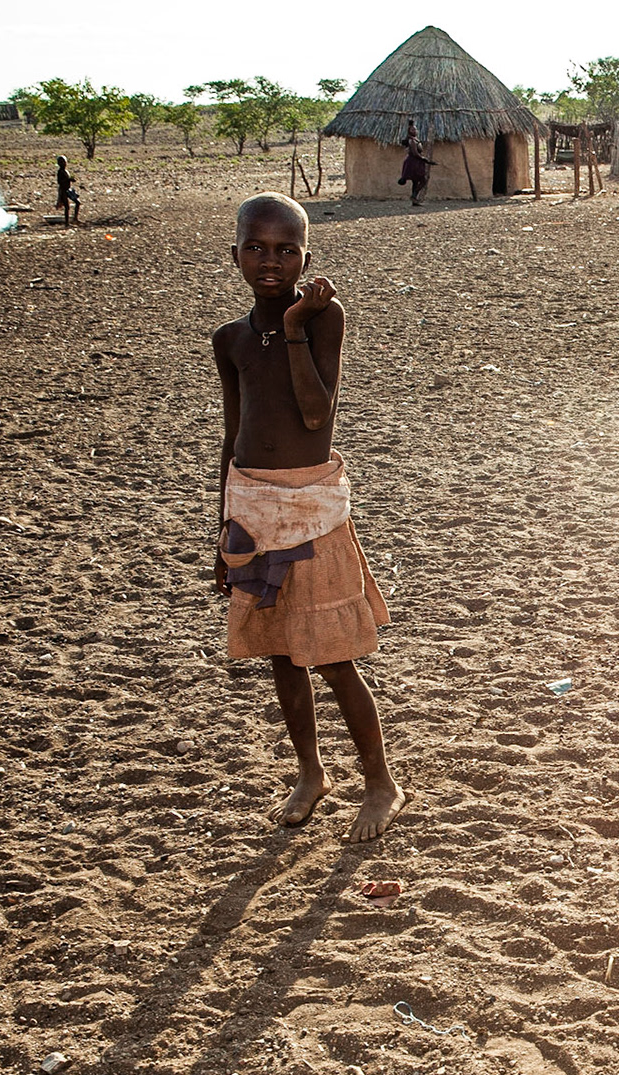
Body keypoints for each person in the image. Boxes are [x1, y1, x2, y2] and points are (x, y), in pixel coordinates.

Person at [212, 192, 408, 842]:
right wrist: (222, 530)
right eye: (257, 248)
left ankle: (380, 781)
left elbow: (316, 413)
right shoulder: (231, 340)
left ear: (306, 257)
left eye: (286, 250)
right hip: (253, 507)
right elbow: (232, 434)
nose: (271, 261)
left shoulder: (325, 320)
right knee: (278, 654)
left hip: (313, 506)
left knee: (330, 657)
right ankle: (309, 773)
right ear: (235, 252)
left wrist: (295, 325)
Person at [396, 121, 436, 207]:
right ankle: (414, 196)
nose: (415, 131)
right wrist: (425, 159)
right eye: (413, 129)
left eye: (415, 129)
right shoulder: (412, 141)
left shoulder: (415, 139)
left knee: (416, 181)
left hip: (416, 161)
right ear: (409, 131)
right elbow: (415, 153)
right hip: (413, 162)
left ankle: (414, 201)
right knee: (423, 179)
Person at [54, 156, 80, 227]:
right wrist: (68, 180)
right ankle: (67, 223)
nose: (63, 163)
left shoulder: (65, 171)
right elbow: (60, 182)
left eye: (64, 162)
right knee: (67, 207)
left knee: (77, 203)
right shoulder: (60, 172)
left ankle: (75, 219)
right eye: (61, 162)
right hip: (63, 190)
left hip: (69, 189)